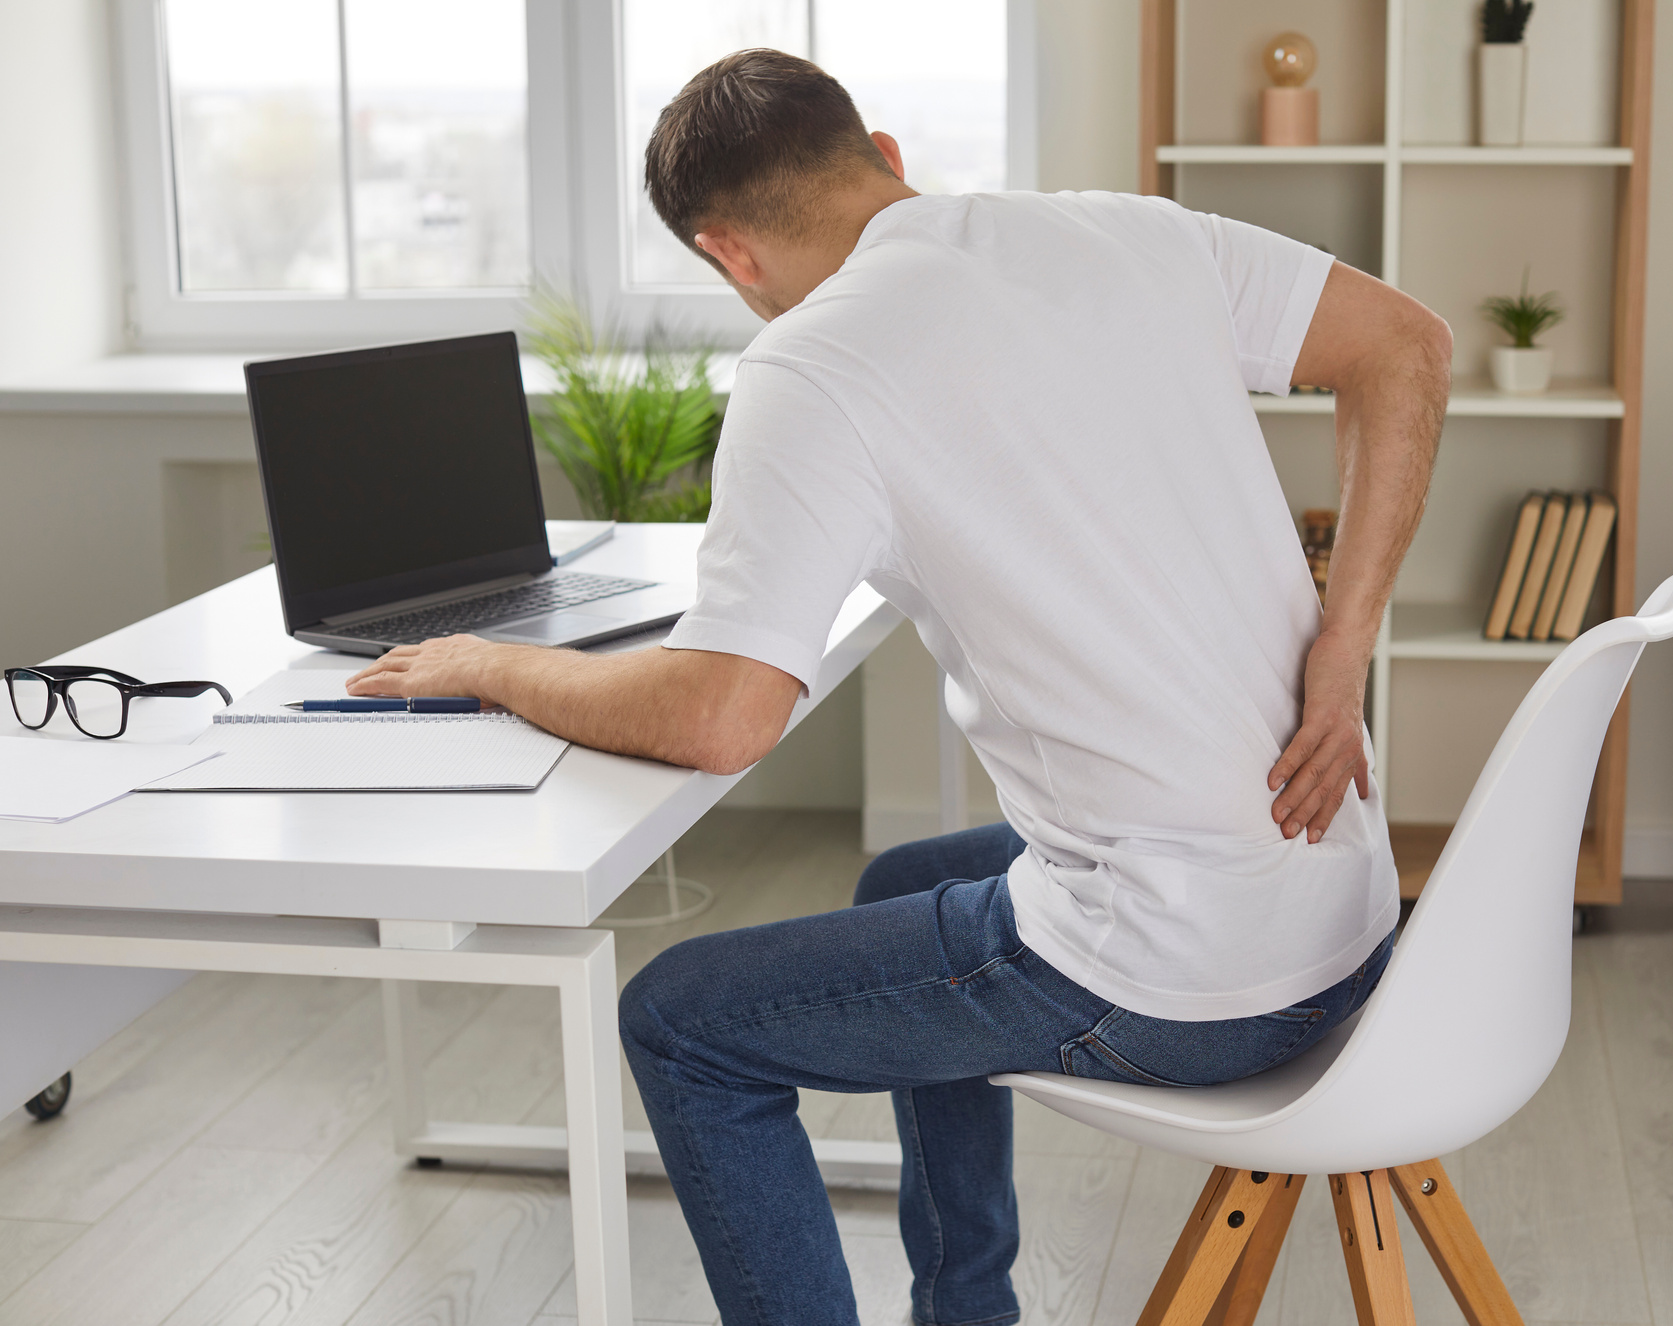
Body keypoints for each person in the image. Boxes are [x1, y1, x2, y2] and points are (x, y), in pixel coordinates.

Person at [348, 47, 1447, 1326]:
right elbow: (1406, 346)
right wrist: (1343, 637)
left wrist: (490, 665)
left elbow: (722, 717)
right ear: (887, 159)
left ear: (728, 254)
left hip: (1182, 987)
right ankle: (965, 1309)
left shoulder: (808, 367)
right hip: (1342, 917)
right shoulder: (1128, 231)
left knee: (678, 1024)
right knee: (903, 886)